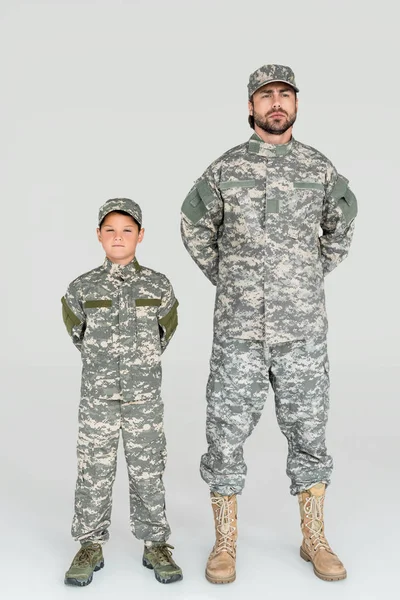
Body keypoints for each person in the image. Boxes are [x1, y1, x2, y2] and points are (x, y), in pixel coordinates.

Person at [180, 64, 357, 584]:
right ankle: (225, 543)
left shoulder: (318, 168)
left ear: (296, 105)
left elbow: (341, 227)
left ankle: (314, 538)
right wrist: (231, 278)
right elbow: (194, 227)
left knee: (309, 432)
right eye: (265, 96)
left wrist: (303, 277)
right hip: (239, 332)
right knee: (225, 433)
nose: (275, 104)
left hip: (301, 331)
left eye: (285, 95)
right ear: (250, 107)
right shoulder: (225, 169)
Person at [62, 198, 182, 586]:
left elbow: (164, 332)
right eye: (110, 230)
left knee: (148, 470)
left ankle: (156, 543)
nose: (118, 237)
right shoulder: (81, 287)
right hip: (98, 398)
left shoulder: (158, 285)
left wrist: (136, 369)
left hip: (143, 398)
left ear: (141, 236)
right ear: (98, 236)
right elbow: (78, 333)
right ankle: (89, 544)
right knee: (93, 470)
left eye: (127, 230)